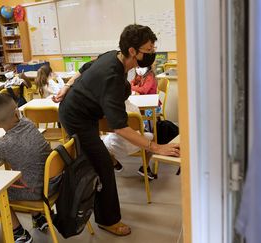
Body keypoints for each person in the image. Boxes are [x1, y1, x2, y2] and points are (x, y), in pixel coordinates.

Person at [53, 24, 180, 236]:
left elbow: (83, 69)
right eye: (148, 51)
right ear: (133, 51)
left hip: (87, 113)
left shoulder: (114, 56)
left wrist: (67, 86)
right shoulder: (111, 76)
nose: (152, 54)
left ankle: (105, 164)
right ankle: (107, 220)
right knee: (102, 164)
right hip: (76, 118)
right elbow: (120, 127)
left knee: (98, 158)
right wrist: (155, 147)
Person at [0, 94, 60, 243]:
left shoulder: (4, 145)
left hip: (36, 192)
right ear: (16, 112)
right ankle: (38, 217)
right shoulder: (28, 123)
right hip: (52, 184)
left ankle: (18, 232)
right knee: (25, 171)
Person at [103, 82, 157, 179]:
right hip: (137, 144)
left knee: (99, 143)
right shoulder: (134, 109)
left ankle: (115, 164)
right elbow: (142, 127)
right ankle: (145, 167)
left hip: (115, 146)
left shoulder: (107, 110)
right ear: (129, 93)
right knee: (152, 138)